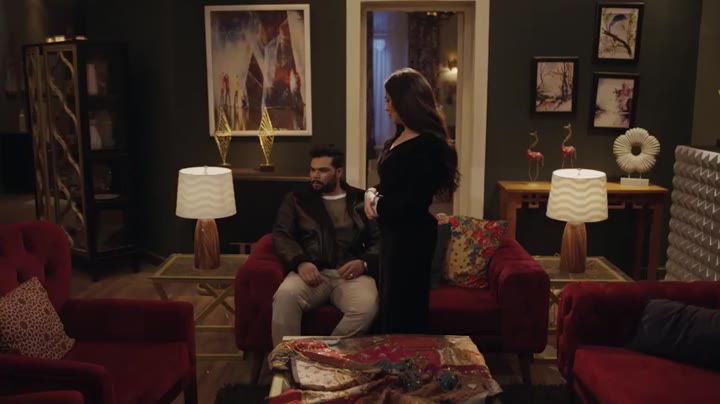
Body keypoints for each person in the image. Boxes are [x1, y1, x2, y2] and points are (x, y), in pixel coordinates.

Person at [365, 67, 460, 334]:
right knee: (389, 309)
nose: (386, 107)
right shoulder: (396, 138)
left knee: (405, 313)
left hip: (412, 237)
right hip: (391, 235)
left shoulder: (429, 145)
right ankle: (394, 358)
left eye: (388, 100)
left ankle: (410, 360)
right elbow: (391, 184)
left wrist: (377, 204)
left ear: (404, 100)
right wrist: (370, 192)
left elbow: (413, 201)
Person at [271, 145, 380, 346]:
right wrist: (300, 262)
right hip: (311, 271)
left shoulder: (360, 199)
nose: (315, 175)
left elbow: (379, 239)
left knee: (367, 306)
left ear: (338, 172)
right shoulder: (296, 199)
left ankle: (327, 354)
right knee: (284, 297)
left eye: (323, 170)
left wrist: (364, 263)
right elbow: (281, 235)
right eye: (312, 170)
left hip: (350, 274)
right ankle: (286, 360)